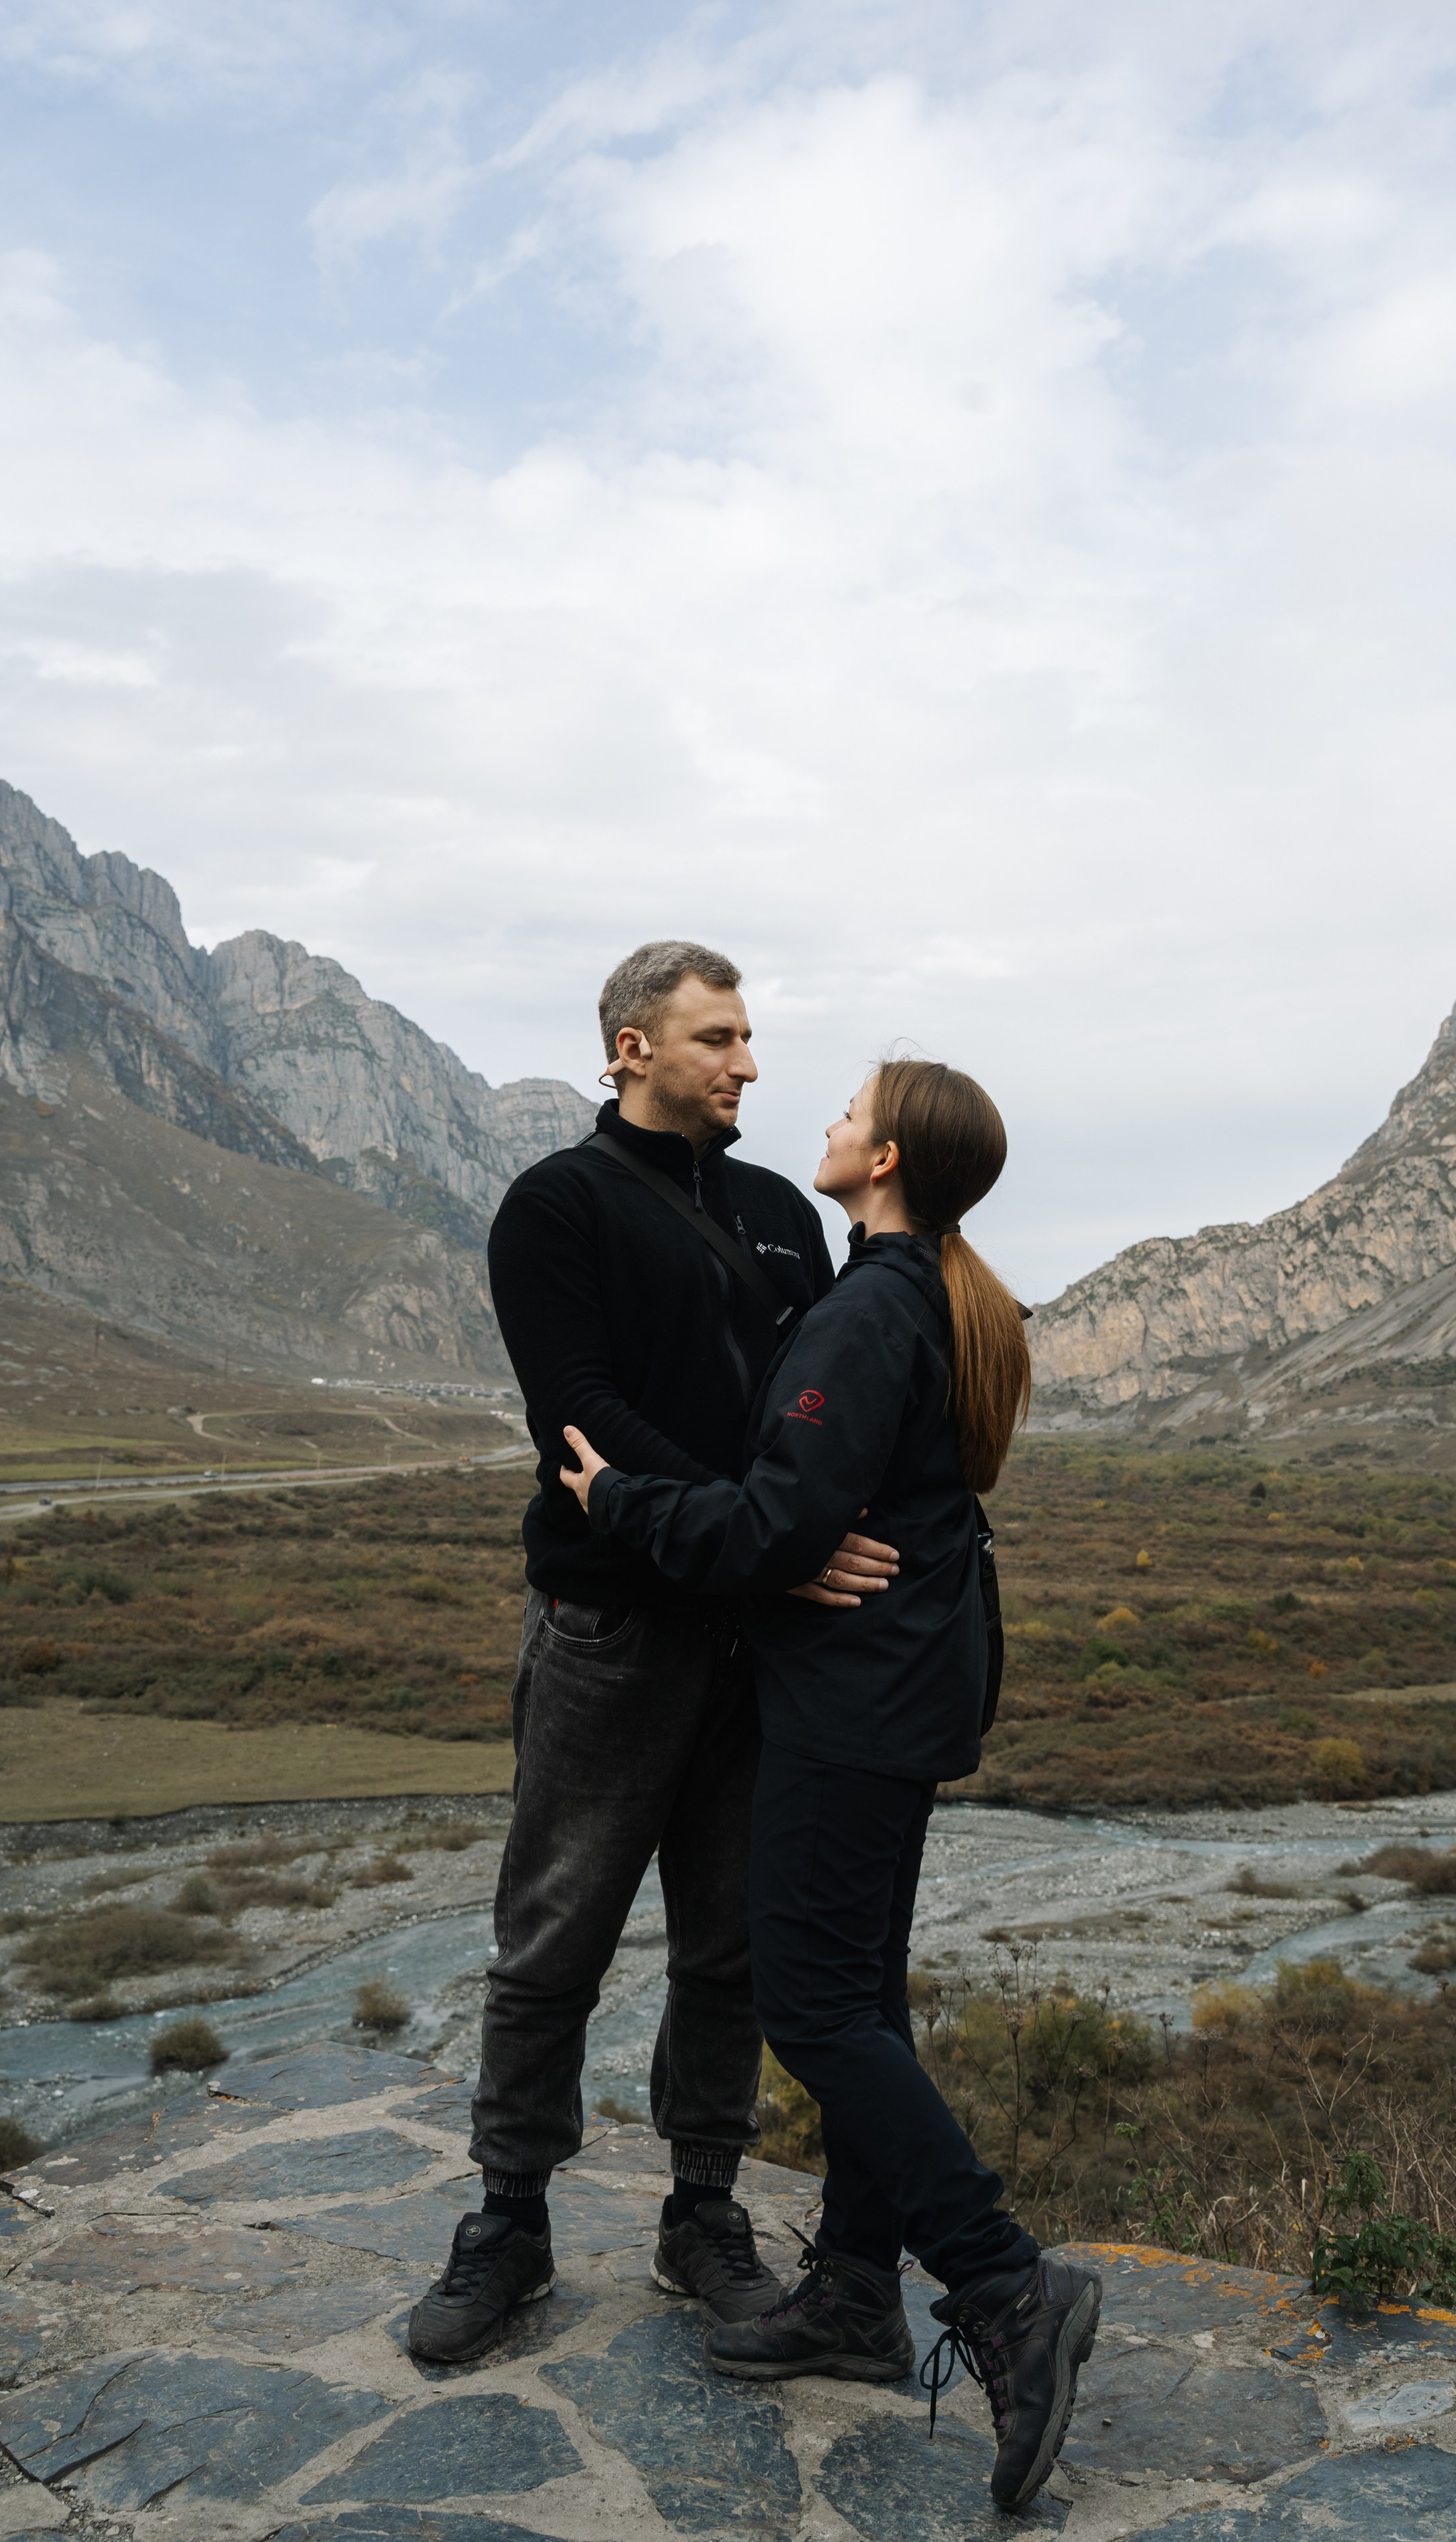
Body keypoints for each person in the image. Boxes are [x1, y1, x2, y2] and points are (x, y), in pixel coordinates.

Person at [558, 1058, 1102, 2514]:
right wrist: (788, 1529)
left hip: (854, 1702)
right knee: (859, 1999)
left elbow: (777, 1523)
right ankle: (858, 2291)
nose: (827, 1121)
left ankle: (1003, 2284)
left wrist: (617, 1498)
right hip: (901, 1689)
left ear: (889, 1157)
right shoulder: (930, 1293)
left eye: (851, 1112)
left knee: (808, 2006)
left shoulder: (871, 1307)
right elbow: (809, 1515)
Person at [408, 942, 898, 2364]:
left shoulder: (777, 1213)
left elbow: (811, 1411)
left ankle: (702, 2215)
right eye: (718, 1038)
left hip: (759, 1640)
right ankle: (509, 2219)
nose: (748, 1063)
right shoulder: (554, 1205)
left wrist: (777, 1539)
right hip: (611, 1629)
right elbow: (580, 1415)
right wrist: (764, 1535)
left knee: (729, 1946)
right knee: (552, 1934)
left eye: (747, 1038)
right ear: (633, 1048)